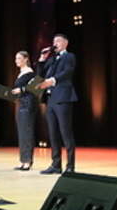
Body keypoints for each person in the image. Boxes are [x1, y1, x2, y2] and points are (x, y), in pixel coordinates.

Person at [36, 34, 79, 174]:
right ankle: (56, 165)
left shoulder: (69, 56)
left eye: (58, 41)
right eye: (54, 41)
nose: (55, 43)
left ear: (66, 43)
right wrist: (42, 60)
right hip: (51, 99)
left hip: (63, 98)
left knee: (66, 132)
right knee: (53, 133)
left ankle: (70, 166)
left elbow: (67, 72)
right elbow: (40, 75)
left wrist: (52, 81)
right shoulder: (52, 59)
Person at [9, 51, 38, 171]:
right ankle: (23, 160)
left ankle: (27, 161)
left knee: (27, 132)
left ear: (26, 59)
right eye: (16, 58)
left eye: (19, 58)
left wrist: (20, 90)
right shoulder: (21, 73)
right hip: (21, 103)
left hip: (28, 104)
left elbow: (35, 87)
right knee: (22, 133)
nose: (17, 60)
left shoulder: (29, 72)